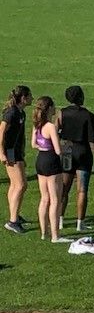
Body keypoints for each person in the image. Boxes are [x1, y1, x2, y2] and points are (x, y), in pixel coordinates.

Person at [57, 86, 94, 234]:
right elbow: (93, 140)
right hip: (83, 152)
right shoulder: (87, 115)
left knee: (64, 189)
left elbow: (56, 132)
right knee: (82, 190)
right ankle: (80, 223)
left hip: (67, 151)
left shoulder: (62, 113)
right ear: (81, 97)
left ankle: (59, 220)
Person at [28, 96, 67, 243]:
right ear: (49, 108)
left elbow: (33, 144)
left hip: (40, 160)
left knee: (44, 198)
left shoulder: (36, 124)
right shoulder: (50, 127)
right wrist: (66, 146)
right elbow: (58, 150)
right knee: (55, 199)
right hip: (51, 162)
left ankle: (44, 233)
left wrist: (44, 146)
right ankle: (55, 236)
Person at [2, 85, 32, 234]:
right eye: (30, 96)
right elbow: (1, 133)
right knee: (21, 185)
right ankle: (13, 221)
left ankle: (14, 214)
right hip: (10, 152)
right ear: (23, 98)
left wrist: (22, 155)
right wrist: (1, 153)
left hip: (16, 152)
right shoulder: (12, 113)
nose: (32, 98)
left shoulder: (21, 113)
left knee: (16, 185)